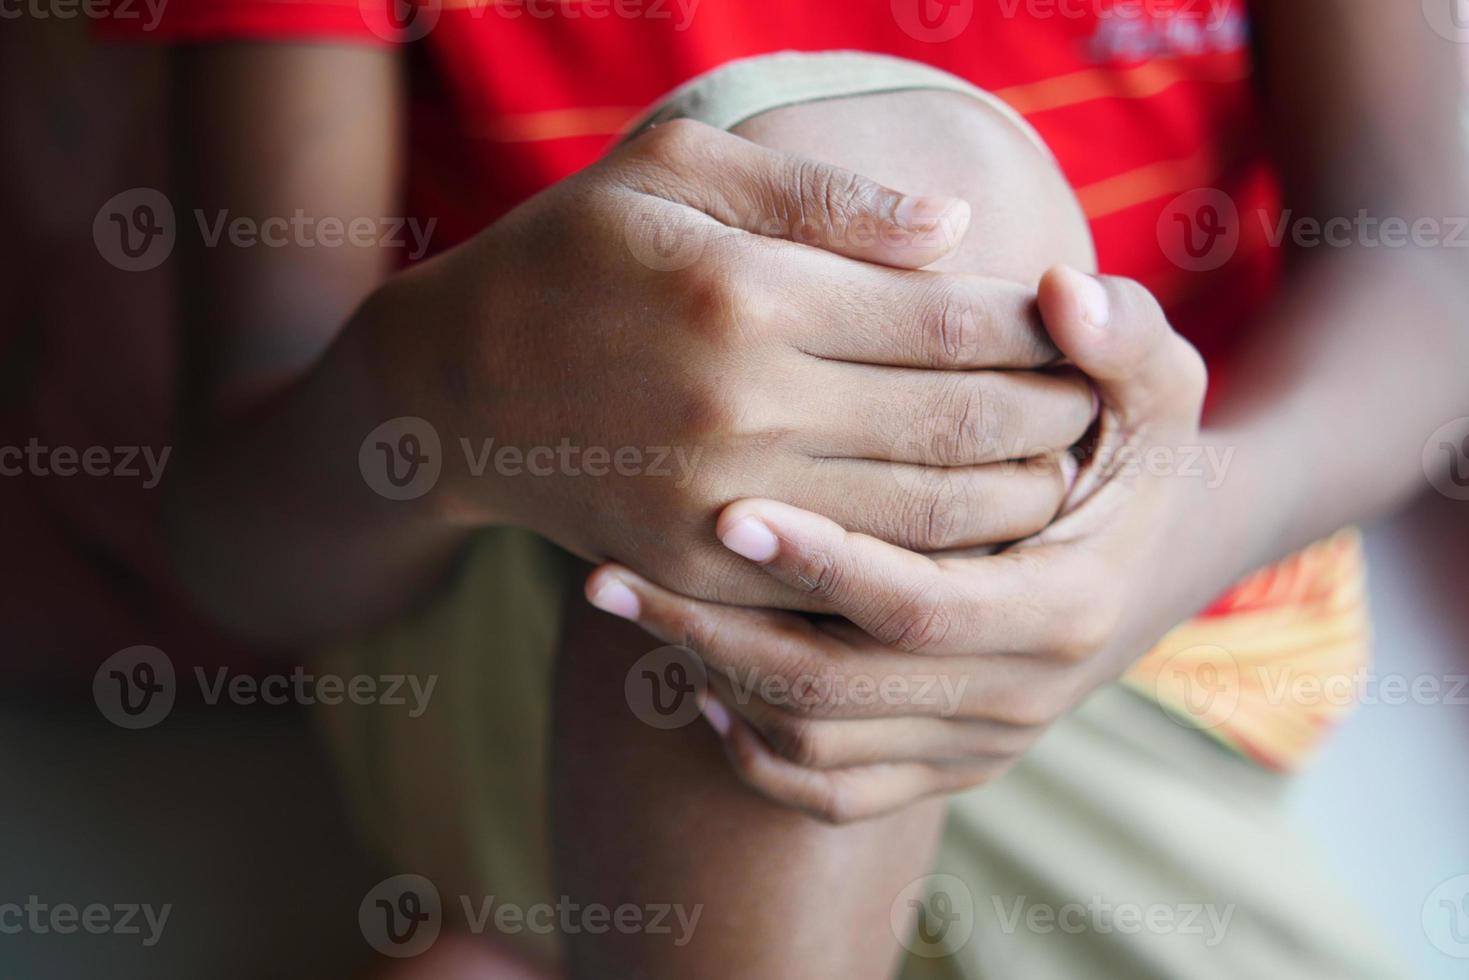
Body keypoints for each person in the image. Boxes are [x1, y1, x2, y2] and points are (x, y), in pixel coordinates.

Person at [99, 1, 1466, 977]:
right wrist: (439, 382)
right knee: (901, 212)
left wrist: (1178, 530)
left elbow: (1428, 270)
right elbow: (246, 543)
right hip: (530, 632)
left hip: (1149, 667)